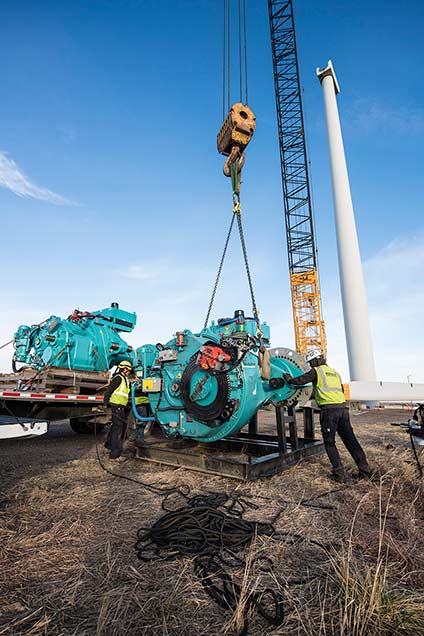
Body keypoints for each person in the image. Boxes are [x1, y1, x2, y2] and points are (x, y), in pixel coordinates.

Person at [271, 351, 371, 483]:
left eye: (311, 362)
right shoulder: (335, 373)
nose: (311, 365)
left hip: (329, 412)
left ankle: (339, 474)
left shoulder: (317, 372)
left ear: (316, 360)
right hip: (343, 409)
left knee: (330, 443)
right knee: (351, 441)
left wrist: (289, 379)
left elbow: (300, 381)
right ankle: (365, 472)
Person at [103, 360, 133, 459]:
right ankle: (114, 453)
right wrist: (106, 404)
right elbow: (108, 391)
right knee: (118, 429)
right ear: (124, 369)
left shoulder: (125, 379)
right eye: (128, 370)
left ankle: (108, 444)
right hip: (117, 406)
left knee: (115, 426)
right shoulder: (118, 378)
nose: (129, 372)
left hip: (120, 406)